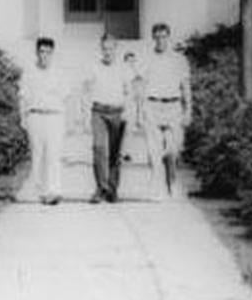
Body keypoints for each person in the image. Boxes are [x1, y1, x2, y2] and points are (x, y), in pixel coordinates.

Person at [140, 21, 192, 200]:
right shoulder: (147, 58)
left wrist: (188, 110)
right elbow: (141, 86)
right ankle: (157, 188)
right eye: (157, 37)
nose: (161, 40)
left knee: (173, 149)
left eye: (164, 37)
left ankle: (172, 180)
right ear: (153, 38)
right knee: (154, 151)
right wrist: (141, 111)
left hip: (173, 106)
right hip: (152, 105)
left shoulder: (179, 60)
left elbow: (186, 86)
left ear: (168, 37)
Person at [19, 36, 68, 205]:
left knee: (53, 155)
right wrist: (22, 118)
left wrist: (67, 121)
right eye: (41, 52)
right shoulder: (29, 72)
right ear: (36, 53)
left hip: (54, 116)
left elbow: (66, 97)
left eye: (47, 52)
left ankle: (54, 191)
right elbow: (23, 97)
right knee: (37, 155)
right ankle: (39, 191)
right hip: (35, 116)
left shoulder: (59, 73)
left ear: (52, 53)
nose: (44, 55)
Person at [82, 34, 130, 203]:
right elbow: (86, 91)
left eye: (111, 48)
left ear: (116, 49)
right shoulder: (93, 67)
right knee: (99, 148)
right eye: (105, 48)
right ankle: (101, 188)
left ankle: (112, 189)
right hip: (99, 111)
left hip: (117, 111)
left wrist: (128, 112)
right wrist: (83, 113)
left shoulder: (124, 68)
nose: (107, 52)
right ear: (101, 49)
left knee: (115, 152)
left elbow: (129, 92)